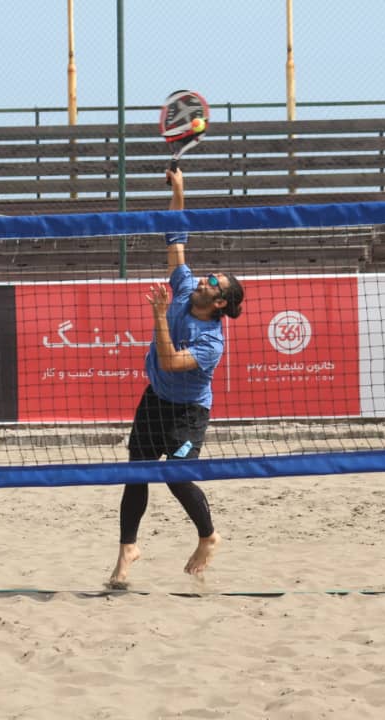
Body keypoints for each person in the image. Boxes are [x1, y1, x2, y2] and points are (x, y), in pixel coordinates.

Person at [107, 167, 245, 589]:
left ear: (219, 302)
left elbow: (168, 360)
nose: (204, 278)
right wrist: (181, 189)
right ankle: (127, 549)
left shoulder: (211, 342)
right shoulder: (184, 289)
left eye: (213, 282)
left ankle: (208, 536)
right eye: (208, 275)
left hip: (188, 413)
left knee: (177, 474)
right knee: (137, 473)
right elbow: (176, 236)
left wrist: (158, 316)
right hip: (156, 401)